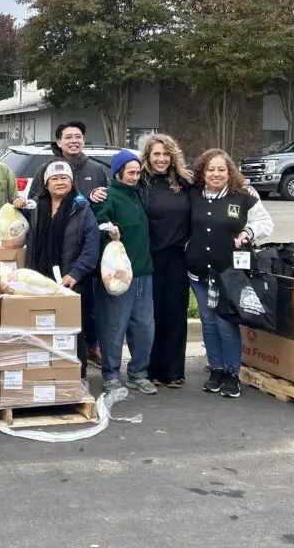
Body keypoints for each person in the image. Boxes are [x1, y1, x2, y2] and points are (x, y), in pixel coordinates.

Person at [185, 148, 274, 399]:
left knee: (226, 323)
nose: (216, 174)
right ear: (202, 172)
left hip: (230, 274)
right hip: (199, 272)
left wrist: (249, 233)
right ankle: (216, 368)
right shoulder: (193, 195)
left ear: (229, 172)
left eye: (221, 169)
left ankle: (232, 374)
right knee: (209, 322)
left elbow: (266, 223)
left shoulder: (243, 196)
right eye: (210, 169)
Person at [19, 162, 100, 381]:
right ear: (45, 184)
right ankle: (43, 376)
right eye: (54, 179)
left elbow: (91, 247)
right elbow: (16, 230)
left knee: (73, 332)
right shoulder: (34, 207)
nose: (59, 182)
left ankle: (76, 377)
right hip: (39, 281)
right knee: (41, 330)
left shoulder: (81, 208)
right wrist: (17, 207)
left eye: (64, 178)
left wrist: (75, 273)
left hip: (71, 282)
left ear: (72, 182)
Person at [90, 150, 156, 395]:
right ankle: (111, 374)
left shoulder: (139, 195)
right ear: (118, 173)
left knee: (144, 327)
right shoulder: (107, 196)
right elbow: (98, 224)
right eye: (131, 173)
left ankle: (139, 373)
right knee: (114, 326)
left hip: (143, 273)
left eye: (138, 172)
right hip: (117, 276)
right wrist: (109, 233)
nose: (135, 177)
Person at [138, 134, 193, 389]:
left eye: (166, 154)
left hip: (178, 258)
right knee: (151, 315)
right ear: (148, 156)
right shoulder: (140, 182)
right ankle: (150, 369)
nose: (161, 159)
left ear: (173, 157)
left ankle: (173, 370)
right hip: (149, 257)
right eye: (156, 154)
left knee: (174, 312)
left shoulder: (184, 183)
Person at [27, 121, 109, 201]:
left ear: (83, 140)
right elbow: (34, 200)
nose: (74, 141)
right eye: (68, 137)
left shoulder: (96, 169)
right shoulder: (46, 169)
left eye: (78, 137)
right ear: (59, 142)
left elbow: (108, 197)